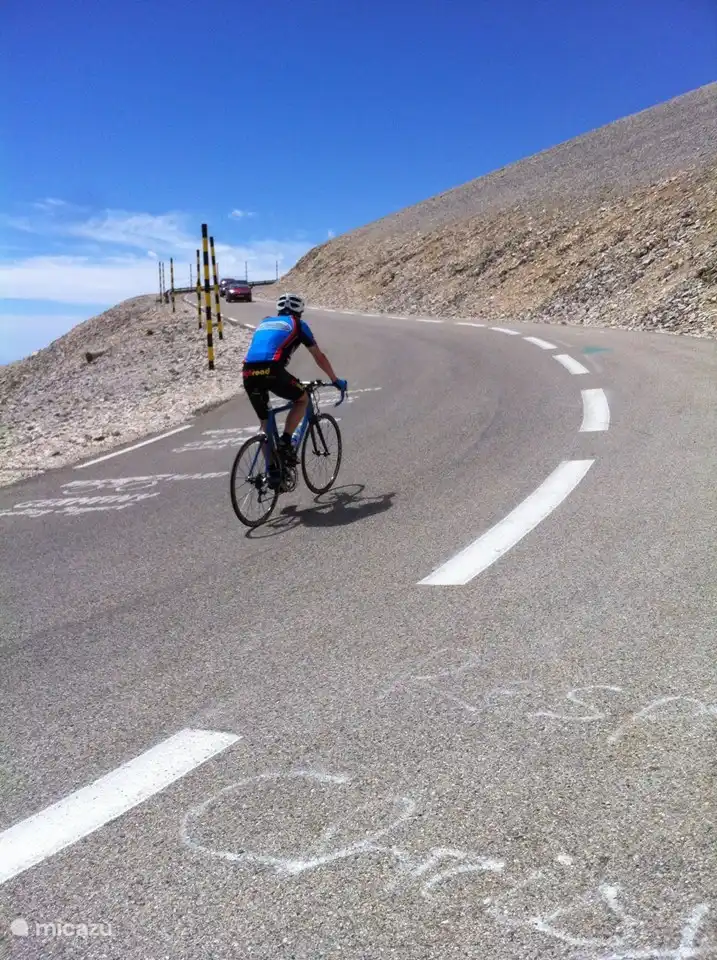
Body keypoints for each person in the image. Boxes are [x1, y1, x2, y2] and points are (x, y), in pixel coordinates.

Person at [242, 293, 348, 470]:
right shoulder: (298, 324)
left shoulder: (264, 322)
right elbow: (318, 356)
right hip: (272, 370)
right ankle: (285, 442)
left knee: (265, 425)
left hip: (248, 373)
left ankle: (272, 472)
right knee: (302, 399)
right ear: (300, 311)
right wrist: (335, 380)